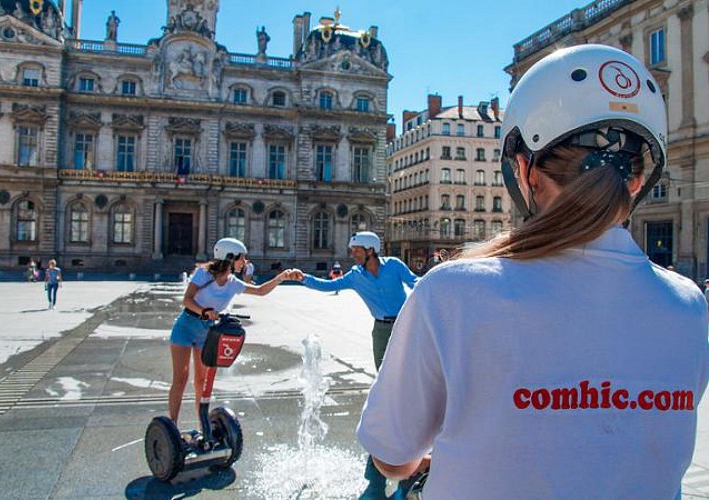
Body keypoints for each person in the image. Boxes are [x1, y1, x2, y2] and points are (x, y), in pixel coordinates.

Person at [357, 45, 709, 499]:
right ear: (640, 180)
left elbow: (392, 457)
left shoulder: (453, 291)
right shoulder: (687, 305)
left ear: (526, 170)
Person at [291, 231, 418, 498]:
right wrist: (304, 279)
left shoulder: (393, 265)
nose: (353, 254)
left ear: (371, 249)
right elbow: (328, 286)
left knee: (409, 381)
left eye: (357, 249)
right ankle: (384, 453)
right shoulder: (355, 275)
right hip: (381, 331)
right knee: (385, 384)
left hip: (407, 326)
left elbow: (415, 281)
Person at [168, 237, 292, 426]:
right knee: (181, 378)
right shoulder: (204, 274)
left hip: (208, 333)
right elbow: (187, 299)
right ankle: (172, 424)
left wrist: (280, 278)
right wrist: (204, 311)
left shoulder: (233, 283)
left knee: (202, 380)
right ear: (230, 257)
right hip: (186, 327)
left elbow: (259, 291)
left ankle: (203, 425)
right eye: (243, 258)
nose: (245, 262)